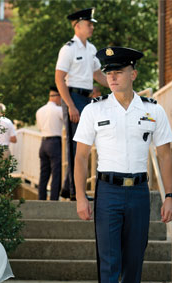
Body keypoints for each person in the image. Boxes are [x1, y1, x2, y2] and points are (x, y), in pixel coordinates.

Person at [73, 47, 172, 283]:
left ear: (133, 73)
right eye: (108, 72)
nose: (112, 76)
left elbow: (165, 154)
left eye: (119, 71)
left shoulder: (152, 110)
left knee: (133, 263)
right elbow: (80, 157)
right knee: (109, 263)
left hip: (139, 193)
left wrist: (170, 195)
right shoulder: (95, 110)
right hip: (108, 192)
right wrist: (81, 196)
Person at [55, 7, 108, 201]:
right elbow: (59, 79)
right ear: (77, 26)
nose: (92, 27)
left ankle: (69, 189)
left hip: (87, 99)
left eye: (92, 24)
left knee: (85, 144)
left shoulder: (91, 49)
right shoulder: (68, 49)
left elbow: (98, 75)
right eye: (88, 24)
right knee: (76, 146)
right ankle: (76, 192)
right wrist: (70, 106)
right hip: (73, 97)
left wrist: (116, 84)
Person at [36, 86, 64, 200]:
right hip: (54, 142)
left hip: (43, 143)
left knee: (44, 174)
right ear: (57, 96)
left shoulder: (39, 111)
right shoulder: (59, 110)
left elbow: (39, 127)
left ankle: (41, 199)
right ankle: (53, 200)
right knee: (56, 173)